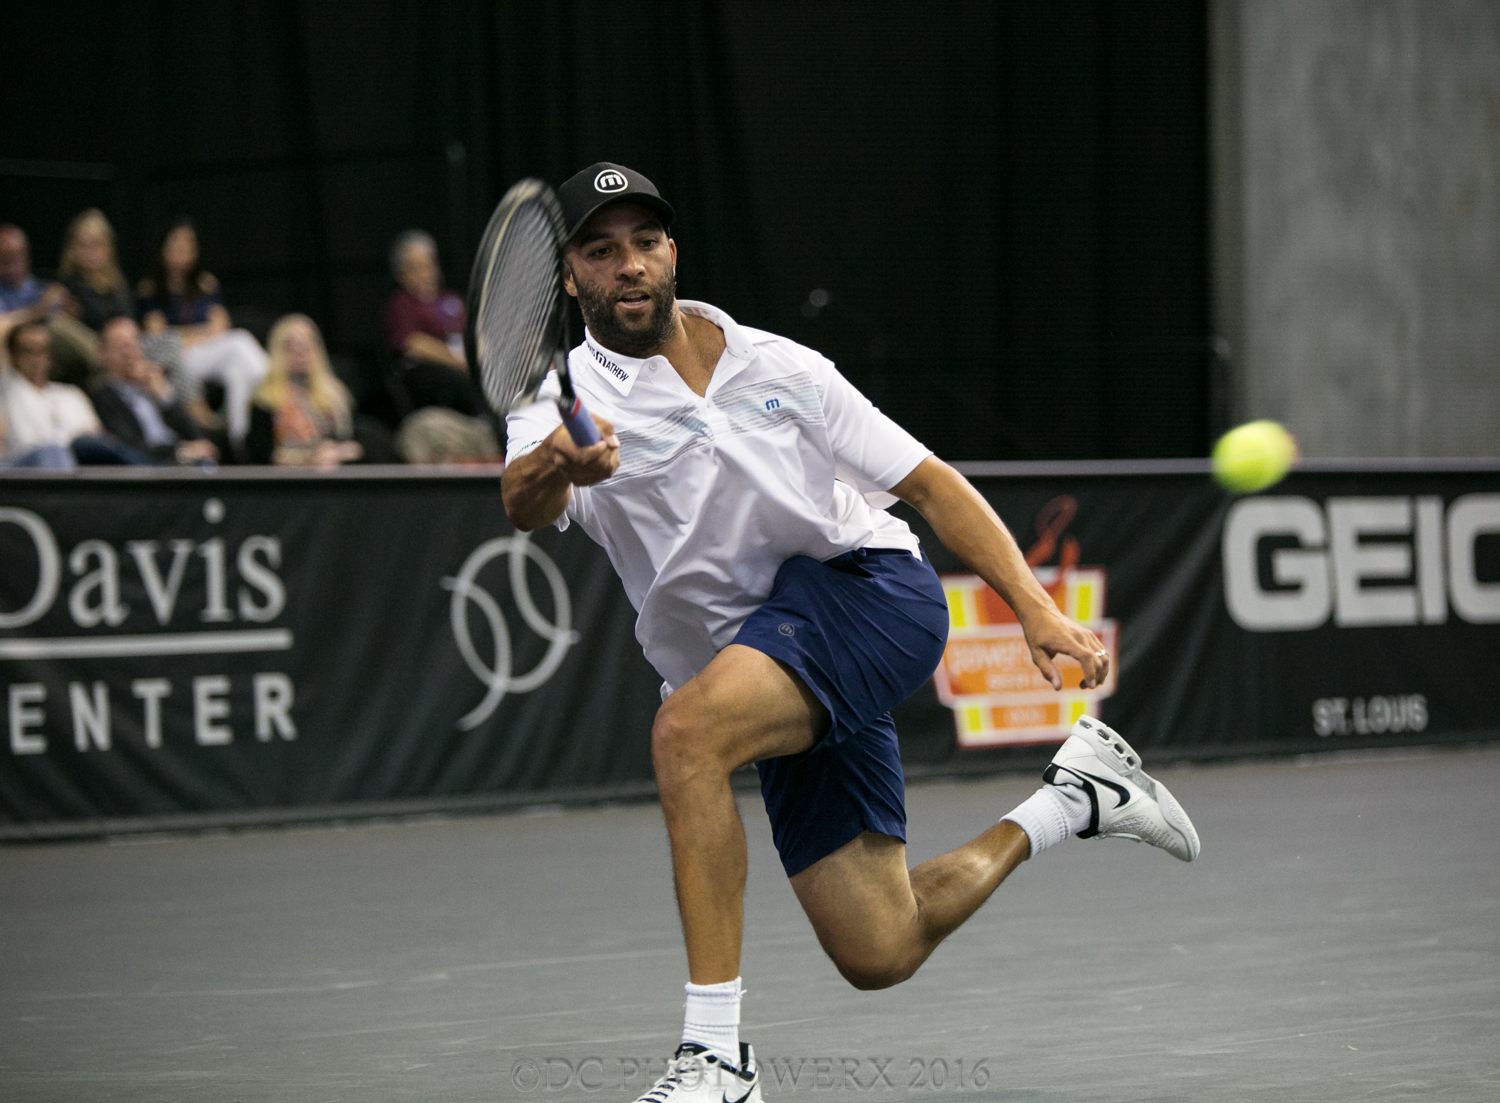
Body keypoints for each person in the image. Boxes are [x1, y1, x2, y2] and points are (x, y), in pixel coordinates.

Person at [502, 164, 1200, 1103]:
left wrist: (1033, 605)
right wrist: (563, 460)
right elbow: (521, 502)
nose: (628, 263)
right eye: (600, 249)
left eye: (644, 241)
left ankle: (715, 1057)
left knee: (686, 734)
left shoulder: (782, 365)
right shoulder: (555, 405)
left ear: (673, 252)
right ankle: (1077, 796)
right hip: (764, 661)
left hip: (866, 593)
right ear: (572, 277)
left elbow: (929, 483)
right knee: (882, 946)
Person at [137, 216, 268, 450]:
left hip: (207, 354)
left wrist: (188, 335)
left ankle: (237, 440)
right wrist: (200, 334)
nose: (181, 251)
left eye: (187, 245)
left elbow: (220, 326)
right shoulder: (151, 288)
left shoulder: (206, 284)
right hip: (177, 360)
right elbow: (158, 336)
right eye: (175, 244)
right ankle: (271, 379)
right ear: (163, 249)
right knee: (239, 340)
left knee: (236, 373)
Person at [0, 318, 147, 467]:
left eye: (43, 350)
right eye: (27, 351)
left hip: (78, 469)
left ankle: (151, 471)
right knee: (55, 451)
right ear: (13, 356)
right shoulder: (9, 390)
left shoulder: (71, 394)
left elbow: (97, 439)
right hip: (25, 470)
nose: (36, 359)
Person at [90, 317, 218, 466]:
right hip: (152, 470)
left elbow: (197, 435)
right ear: (104, 354)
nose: (130, 352)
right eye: (121, 346)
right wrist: (177, 452)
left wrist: (164, 394)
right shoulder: (102, 398)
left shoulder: (156, 386)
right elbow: (128, 447)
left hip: (188, 463)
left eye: (134, 343)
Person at [382, 230, 481, 415]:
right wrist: (459, 362)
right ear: (401, 274)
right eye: (415, 268)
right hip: (429, 374)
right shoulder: (400, 304)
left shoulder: (454, 299)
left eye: (428, 265)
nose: (424, 273)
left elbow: (475, 335)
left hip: (464, 364)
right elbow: (414, 344)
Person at [245, 314, 362, 467]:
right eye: (291, 345)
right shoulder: (263, 400)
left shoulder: (336, 396)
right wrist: (308, 459)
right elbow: (260, 452)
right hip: (285, 483)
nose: (300, 351)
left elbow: (356, 443)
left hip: (335, 477)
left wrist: (336, 453)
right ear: (278, 350)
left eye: (307, 343)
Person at [48, 209, 137, 390]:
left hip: (119, 346)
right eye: (83, 245)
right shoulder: (68, 284)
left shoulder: (118, 285)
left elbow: (128, 321)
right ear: (72, 248)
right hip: (90, 349)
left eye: (96, 244)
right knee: (57, 324)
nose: (89, 251)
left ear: (108, 247)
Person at [0, 224, 77, 371]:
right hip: (16, 351)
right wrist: (38, 311)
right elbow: (3, 325)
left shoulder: (44, 286)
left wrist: (69, 309)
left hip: (54, 350)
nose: (13, 261)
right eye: (6, 255)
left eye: (18, 254)